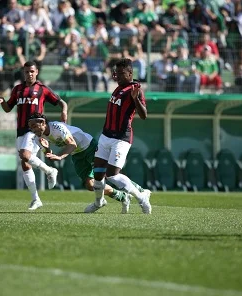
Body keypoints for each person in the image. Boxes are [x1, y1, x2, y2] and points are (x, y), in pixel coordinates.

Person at [27, 112, 150, 213]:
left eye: (34, 126)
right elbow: (49, 154)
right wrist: (48, 149)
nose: (32, 129)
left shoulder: (58, 128)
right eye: (30, 127)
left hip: (89, 147)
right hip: (77, 155)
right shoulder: (38, 138)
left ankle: (141, 191)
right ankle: (122, 197)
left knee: (108, 174)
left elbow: (72, 144)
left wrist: (60, 157)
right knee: (90, 185)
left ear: (43, 122)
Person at [0, 60, 67, 210]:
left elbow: (61, 102)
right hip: (20, 130)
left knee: (25, 155)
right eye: (27, 72)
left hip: (35, 130)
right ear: (24, 73)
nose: (29, 74)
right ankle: (36, 199)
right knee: (25, 163)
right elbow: (8, 108)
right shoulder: (18, 89)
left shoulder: (42, 89)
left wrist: (64, 110)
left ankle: (49, 170)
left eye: (32, 71)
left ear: (36, 72)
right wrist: (2, 101)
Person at [87, 58, 152, 214]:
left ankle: (141, 197)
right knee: (98, 175)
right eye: (117, 73)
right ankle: (98, 202)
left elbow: (144, 115)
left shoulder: (135, 89)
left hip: (121, 138)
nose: (118, 76)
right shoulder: (117, 88)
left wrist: (135, 98)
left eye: (122, 74)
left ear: (130, 73)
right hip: (105, 136)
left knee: (112, 175)